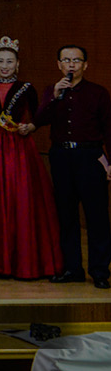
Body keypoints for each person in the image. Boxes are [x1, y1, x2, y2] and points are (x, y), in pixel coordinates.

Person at [0, 37, 60, 279]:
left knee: (21, 198)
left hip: (18, 149)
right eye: (0, 61)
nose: (5, 66)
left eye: (10, 61)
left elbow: (38, 115)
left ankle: (22, 261)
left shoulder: (27, 88)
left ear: (17, 64)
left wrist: (31, 126)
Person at [39, 44, 111, 289]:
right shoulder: (52, 91)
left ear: (85, 65)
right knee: (66, 214)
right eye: (66, 60)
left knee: (96, 215)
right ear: (59, 64)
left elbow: (109, 129)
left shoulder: (98, 93)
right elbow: (39, 120)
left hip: (90, 156)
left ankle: (100, 271)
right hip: (61, 156)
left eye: (76, 60)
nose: (71, 64)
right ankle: (72, 269)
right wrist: (54, 96)